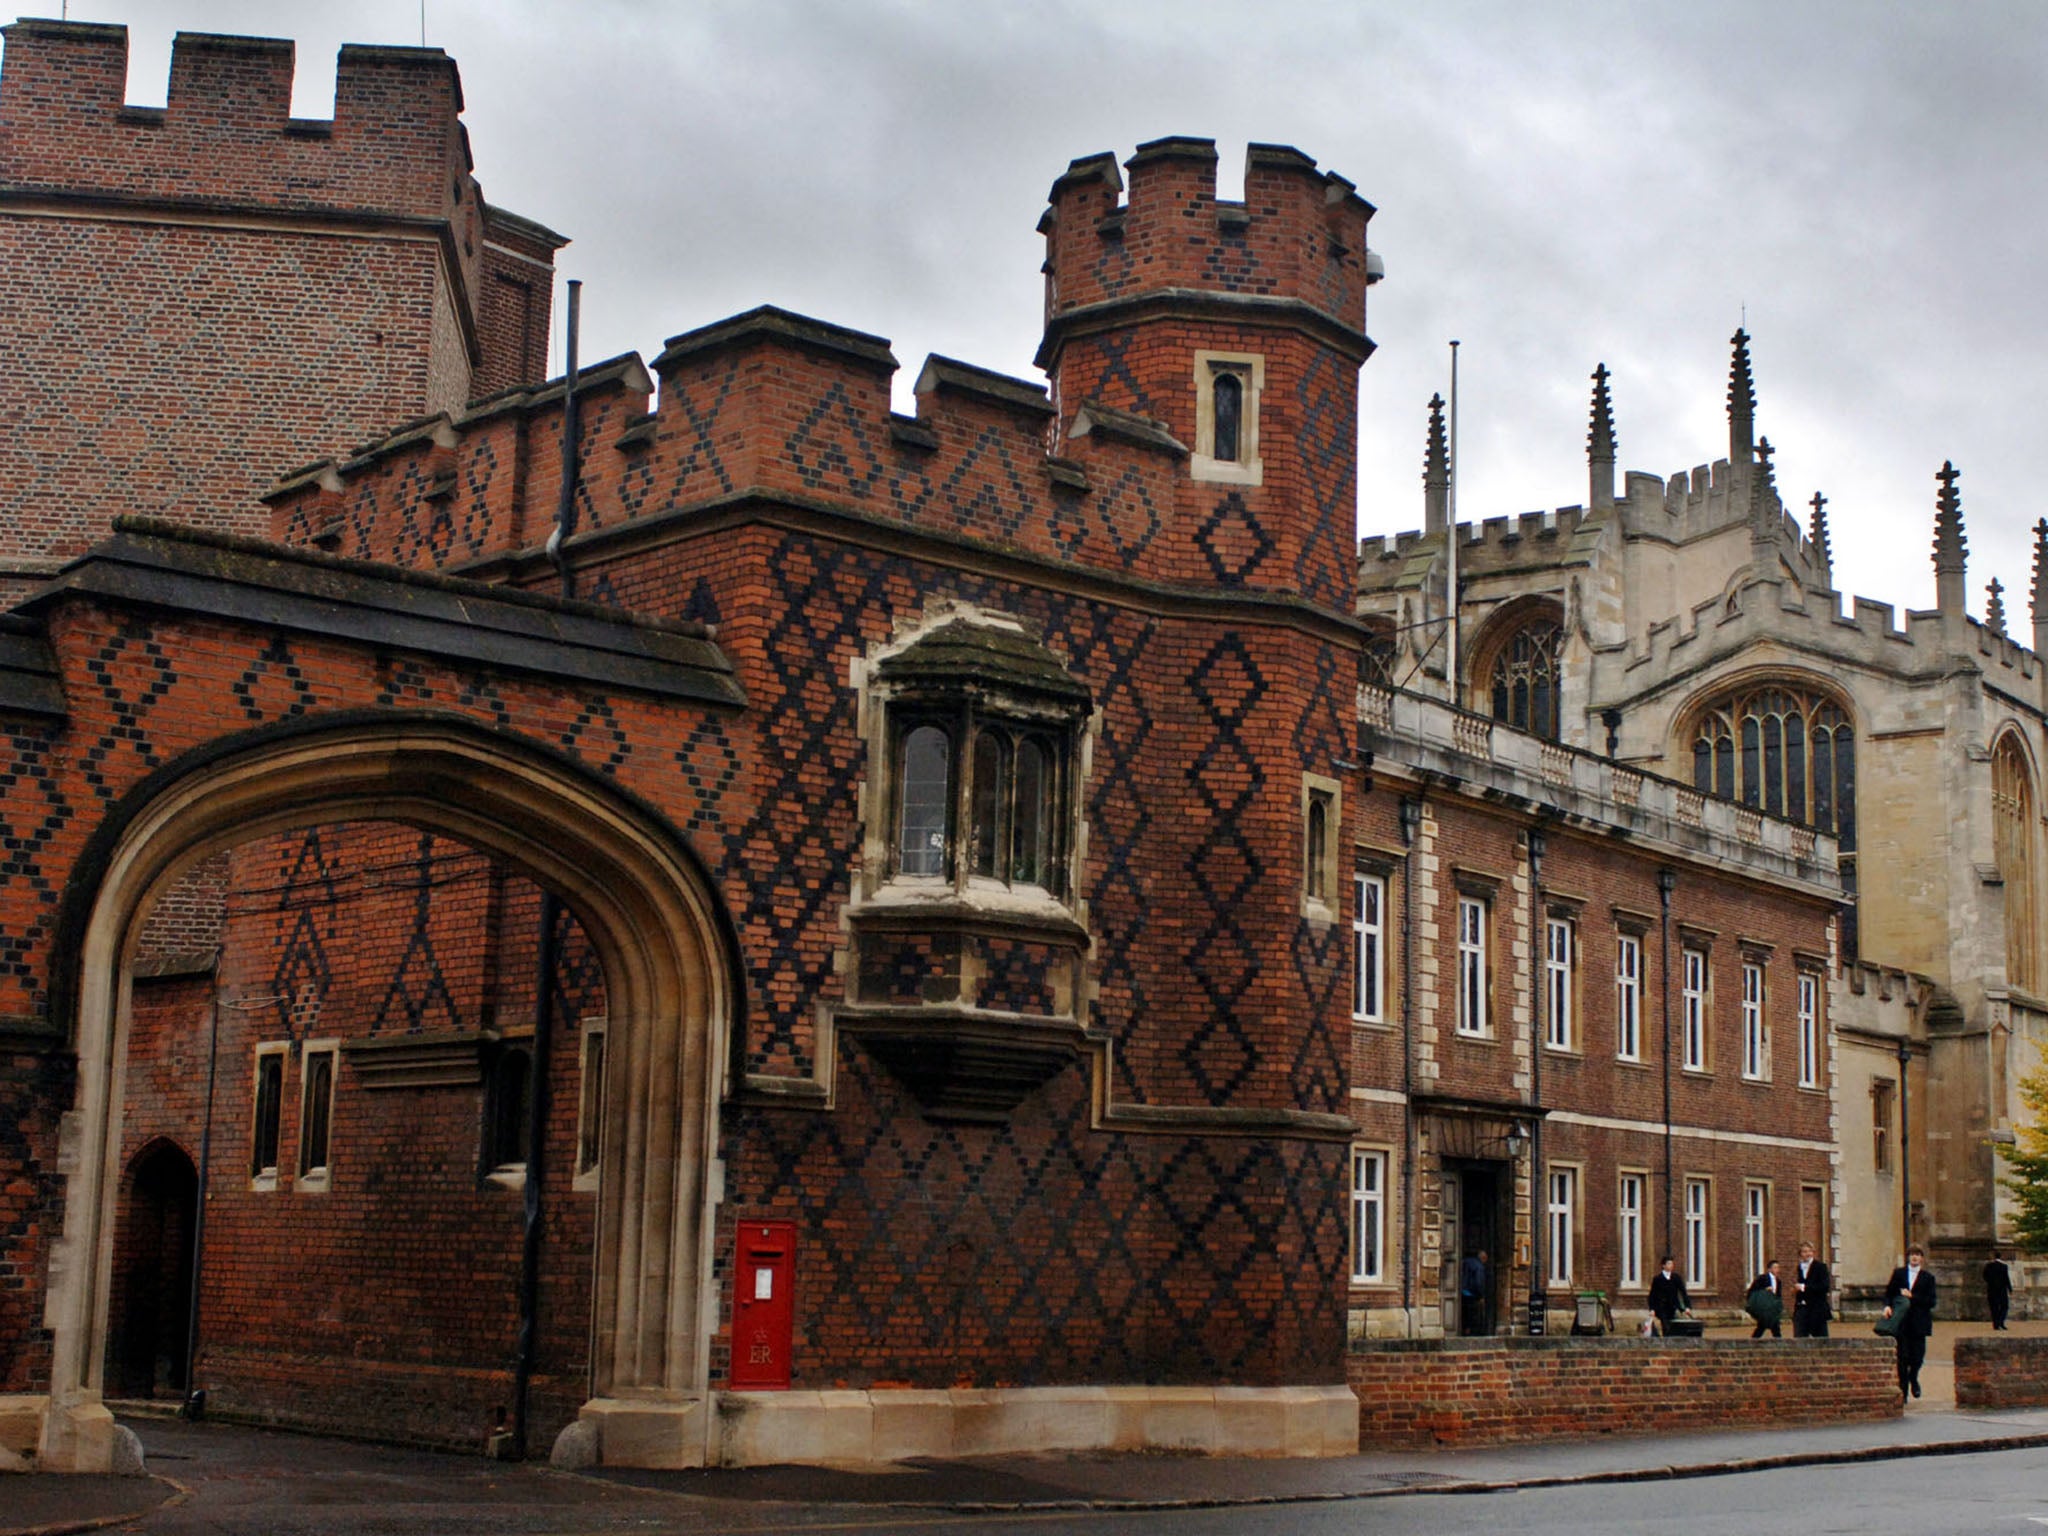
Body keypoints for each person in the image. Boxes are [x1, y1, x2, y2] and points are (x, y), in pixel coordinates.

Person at [1883, 1243, 1938, 1400]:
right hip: (1902, 1322)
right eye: (1912, 1254)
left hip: (1919, 1322)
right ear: (1908, 1257)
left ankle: (1913, 1378)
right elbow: (1889, 1293)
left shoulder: (1928, 1278)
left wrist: (1912, 1297)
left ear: (1921, 1258)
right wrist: (1887, 1306)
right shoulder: (1899, 1274)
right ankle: (1903, 1391)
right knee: (1902, 1357)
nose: (1914, 1257)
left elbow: (1931, 1301)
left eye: (1917, 1254)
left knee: (1917, 1357)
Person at [1792, 1240, 1832, 1338]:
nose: (1807, 1254)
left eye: (1809, 1251)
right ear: (1800, 1254)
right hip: (1802, 1308)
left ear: (1813, 1253)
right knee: (1799, 1336)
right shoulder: (1799, 1268)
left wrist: (1804, 1287)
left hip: (1817, 1308)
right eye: (1804, 1252)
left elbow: (1824, 1286)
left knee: (1821, 1339)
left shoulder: (1820, 1267)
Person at [1648, 1254, 1691, 1335]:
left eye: (1672, 1264)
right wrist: (1652, 1309)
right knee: (1665, 1326)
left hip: (1673, 1307)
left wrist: (1687, 1307)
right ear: (1663, 1265)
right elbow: (1652, 1295)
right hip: (1661, 1307)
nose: (1671, 1266)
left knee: (1675, 1326)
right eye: (1668, 1263)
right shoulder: (1657, 1279)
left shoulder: (1676, 1278)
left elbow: (1683, 1292)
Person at [1746, 1258, 1785, 1338]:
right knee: (1766, 1326)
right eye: (1775, 1267)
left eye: (1778, 1267)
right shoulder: (1762, 1278)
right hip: (1764, 1307)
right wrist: (1765, 1290)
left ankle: (1755, 1340)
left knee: (1769, 1326)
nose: (1777, 1270)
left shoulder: (1778, 1281)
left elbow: (1778, 1295)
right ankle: (1778, 1341)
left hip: (1772, 1307)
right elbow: (1753, 1290)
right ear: (1769, 1269)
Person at [1459, 1248, 1491, 1336]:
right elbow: (1478, 1282)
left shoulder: (1465, 1261)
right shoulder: (1479, 1266)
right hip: (1471, 1294)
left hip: (1462, 1291)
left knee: (1463, 1313)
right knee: (1472, 1315)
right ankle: (1469, 1332)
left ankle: (1462, 1329)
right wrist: (1480, 1296)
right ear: (1483, 1258)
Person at [1984, 1250, 2013, 1331]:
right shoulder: (2004, 1266)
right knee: (2004, 1306)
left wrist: (1990, 1283)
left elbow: (1985, 1276)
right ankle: (2001, 1322)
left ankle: (1996, 1324)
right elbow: (2006, 1278)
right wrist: (2010, 1289)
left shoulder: (1989, 1266)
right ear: (2001, 1257)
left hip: (1992, 1289)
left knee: (1994, 1307)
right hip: (2002, 1290)